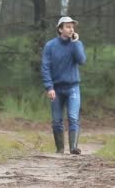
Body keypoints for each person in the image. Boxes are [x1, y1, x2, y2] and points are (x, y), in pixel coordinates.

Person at [41, 16, 87, 155]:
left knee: (73, 117)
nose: (71, 29)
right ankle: (60, 149)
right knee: (56, 121)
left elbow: (82, 60)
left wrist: (76, 43)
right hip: (56, 88)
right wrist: (49, 87)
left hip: (73, 87)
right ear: (60, 29)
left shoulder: (76, 44)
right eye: (67, 26)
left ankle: (73, 148)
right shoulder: (50, 46)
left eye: (72, 26)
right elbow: (45, 67)